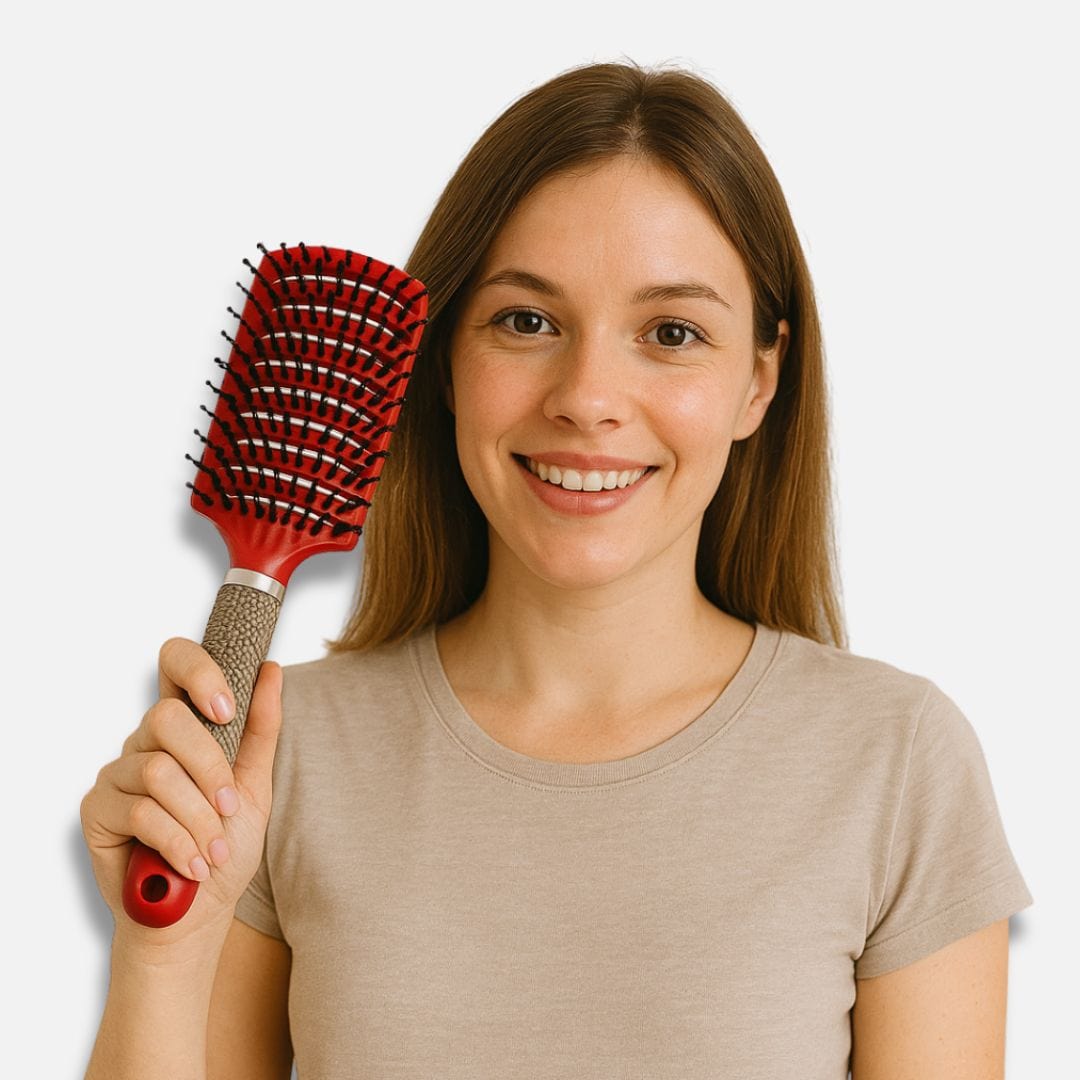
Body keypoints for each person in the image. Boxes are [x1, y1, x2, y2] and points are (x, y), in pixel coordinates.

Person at [81, 61, 1033, 1079]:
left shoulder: (893, 761)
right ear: (444, 360)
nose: (588, 396)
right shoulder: (277, 761)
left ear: (759, 380)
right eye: (526, 321)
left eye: (671, 333)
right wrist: (164, 957)